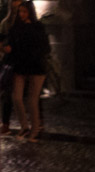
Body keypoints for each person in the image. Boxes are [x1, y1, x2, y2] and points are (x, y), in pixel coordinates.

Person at [3, 0, 46, 142]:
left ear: (30, 12)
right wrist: (8, 49)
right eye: (20, 11)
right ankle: (24, 127)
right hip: (19, 66)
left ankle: (35, 131)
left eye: (24, 11)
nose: (21, 14)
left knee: (32, 100)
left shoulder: (37, 27)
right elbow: (9, 42)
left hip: (35, 67)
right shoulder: (16, 27)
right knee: (16, 97)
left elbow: (44, 48)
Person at [0, 0, 27, 137]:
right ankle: (6, 124)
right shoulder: (6, 23)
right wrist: (4, 48)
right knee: (8, 94)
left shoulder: (25, 22)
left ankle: (31, 125)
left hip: (22, 63)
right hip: (9, 62)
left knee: (19, 96)